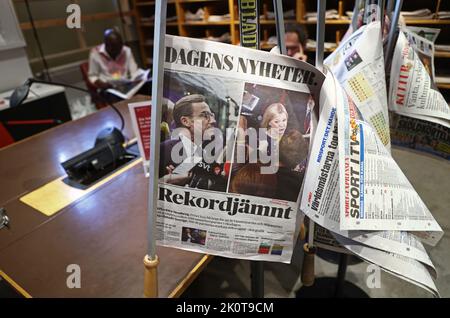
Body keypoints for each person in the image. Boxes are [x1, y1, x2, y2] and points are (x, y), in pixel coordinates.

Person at [159, 94, 222, 187]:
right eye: (205, 115)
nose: (213, 121)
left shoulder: (213, 153)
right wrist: (166, 181)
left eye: (212, 115)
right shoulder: (163, 150)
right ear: (185, 121)